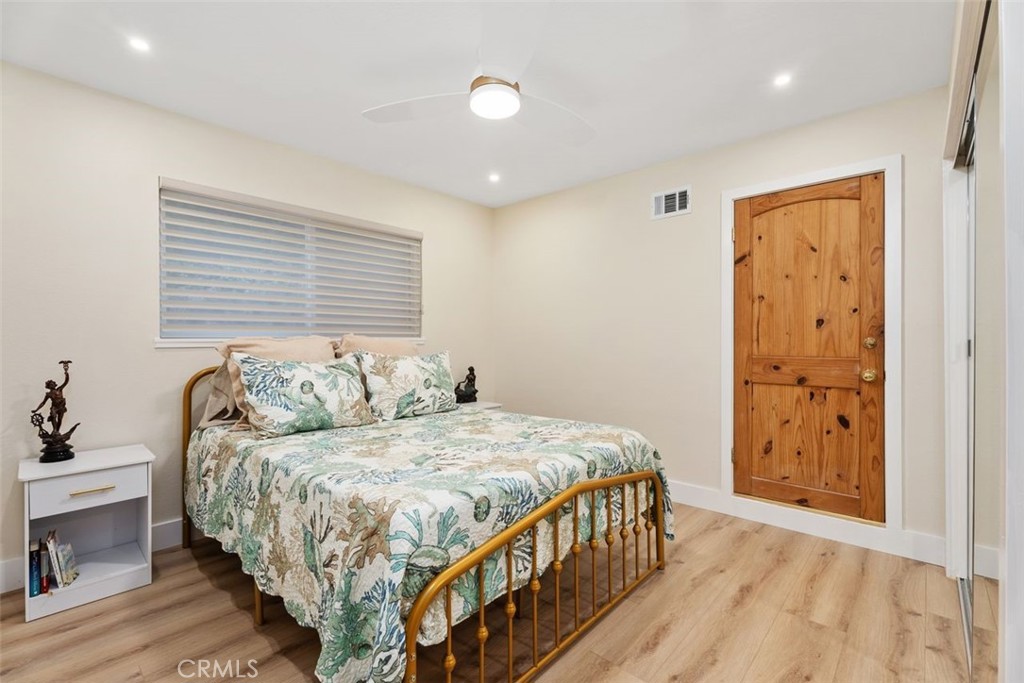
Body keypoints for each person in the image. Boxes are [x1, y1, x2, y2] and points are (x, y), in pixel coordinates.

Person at [32, 360, 72, 434]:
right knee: (53, 416)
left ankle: (57, 431)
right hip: (54, 407)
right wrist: (36, 410)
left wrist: (66, 372)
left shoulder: (59, 389)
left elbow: (66, 381)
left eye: (53, 383)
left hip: (61, 406)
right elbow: (43, 403)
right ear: (48, 386)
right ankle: (54, 430)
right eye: (50, 384)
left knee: (60, 419)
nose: (52, 384)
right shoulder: (48, 394)